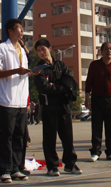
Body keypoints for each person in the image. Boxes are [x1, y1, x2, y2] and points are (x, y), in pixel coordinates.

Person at [0, 19, 39, 183]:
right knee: (7, 136)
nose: (21, 31)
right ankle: (4, 170)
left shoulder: (22, 50)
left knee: (20, 136)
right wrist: (15, 71)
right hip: (7, 99)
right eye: (18, 28)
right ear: (10, 31)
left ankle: (17, 168)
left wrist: (30, 72)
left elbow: (21, 73)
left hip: (21, 100)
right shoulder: (1, 49)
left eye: (22, 28)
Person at [33, 38, 81, 177]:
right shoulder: (38, 69)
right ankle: (52, 166)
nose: (41, 52)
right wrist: (61, 86)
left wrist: (56, 86)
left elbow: (70, 82)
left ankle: (70, 164)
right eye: (38, 51)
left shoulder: (60, 65)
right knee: (50, 139)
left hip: (64, 106)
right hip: (49, 107)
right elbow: (44, 88)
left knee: (67, 138)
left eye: (43, 49)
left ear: (50, 49)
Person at [85, 42, 111, 161]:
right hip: (97, 99)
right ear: (101, 51)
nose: (109, 51)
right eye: (106, 49)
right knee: (96, 126)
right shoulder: (94, 65)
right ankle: (95, 152)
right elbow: (89, 82)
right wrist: (87, 98)